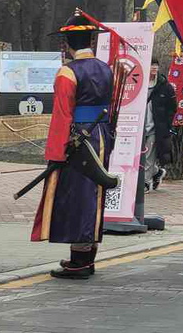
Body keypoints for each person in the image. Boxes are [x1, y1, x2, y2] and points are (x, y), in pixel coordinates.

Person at [31, 14, 114, 279]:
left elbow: (62, 116)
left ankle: (79, 261)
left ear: (67, 43)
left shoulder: (67, 72)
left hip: (78, 140)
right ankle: (86, 258)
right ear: (90, 40)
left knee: (78, 198)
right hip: (101, 136)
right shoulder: (105, 68)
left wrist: (56, 153)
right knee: (95, 196)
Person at [143, 60, 176, 192]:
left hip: (155, 128)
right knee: (141, 158)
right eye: (151, 65)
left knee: (148, 156)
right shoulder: (137, 83)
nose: (154, 68)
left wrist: (165, 124)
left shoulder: (165, 86)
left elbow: (172, 107)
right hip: (138, 127)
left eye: (156, 65)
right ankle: (157, 173)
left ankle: (145, 183)